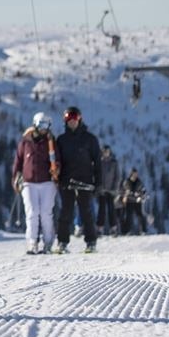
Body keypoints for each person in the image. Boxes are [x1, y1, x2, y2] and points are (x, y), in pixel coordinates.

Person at [53, 105, 102, 254]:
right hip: (67, 182)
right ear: (65, 121)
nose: (72, 121)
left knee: (86, 213)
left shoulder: (90, 139)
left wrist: (97, 182)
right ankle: (62, 243)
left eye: (75, 118)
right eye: (69, 118)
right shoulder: (61, 140)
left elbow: (97, 162)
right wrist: (58, 178)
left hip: (85, 181)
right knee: (65, 213)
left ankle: (91, 243)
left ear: (79, 119)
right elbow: (57, 161)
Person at [11, 111, 59, 255]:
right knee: (32, 212)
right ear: (35, 125)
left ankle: (48, 242)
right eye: (41, 124)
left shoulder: (51, 142)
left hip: (47, 182)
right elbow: (18, 161)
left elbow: (58, 159)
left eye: (47, 125)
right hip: (29, 182)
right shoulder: (26, 142)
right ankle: (32, 242)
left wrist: (57, 170)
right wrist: (16, 178)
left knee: (45, 213)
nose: (44, 128)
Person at [96, 145, 121, 236]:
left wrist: (114, 188)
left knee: (111, 208)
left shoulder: (114, 163)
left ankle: (113, 228)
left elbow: (117, 176)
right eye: (104, 151)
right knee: (101, 209)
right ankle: (100, 228)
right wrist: (99, 187)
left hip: (111, 190)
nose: (106, 153)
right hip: (101, 190)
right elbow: (96, 175)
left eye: (107, 151)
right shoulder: (99, 162)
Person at [121, 168, 148, 234]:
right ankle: (126, 231)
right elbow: (125, 190)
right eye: (134, 174)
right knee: (128, 217)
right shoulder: (127, 182)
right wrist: (130, 193)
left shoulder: (139, 182)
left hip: (137, 201)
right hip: (129, 201)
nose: (135, 175)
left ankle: (143, 230)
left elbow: (143, 190)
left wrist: (143, 194)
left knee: (140, 216)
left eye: (136, 174)